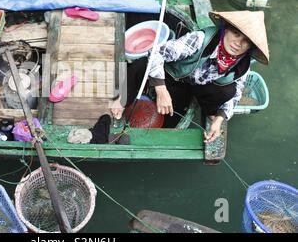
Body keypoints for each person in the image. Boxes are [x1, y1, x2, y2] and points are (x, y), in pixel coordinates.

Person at [111, 11, 269, 144]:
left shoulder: (243, 64)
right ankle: (121, 98)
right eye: (236, 33)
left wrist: (220, 119)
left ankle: (209, 113)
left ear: (250, 47)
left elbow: (236, 94)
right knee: (140, 65)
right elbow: (157, 52)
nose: (237, 43)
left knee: (227, 91)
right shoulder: (200, 39)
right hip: (173, 74)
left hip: (197, 89)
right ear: (225, 29)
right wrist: (161, 89)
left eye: (245, 42)